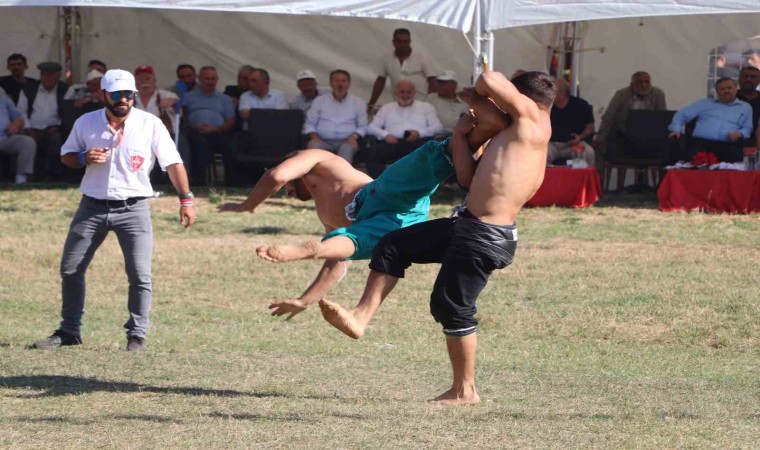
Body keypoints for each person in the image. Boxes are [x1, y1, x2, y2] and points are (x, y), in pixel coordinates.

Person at [318, 71, 556, 406]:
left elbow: (490, 76)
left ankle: (465, 391)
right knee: (394, 244)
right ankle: (360, 317)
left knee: (452, 306)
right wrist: (460, 135)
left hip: (484, 236)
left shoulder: (533, 121)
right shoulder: (514, 132)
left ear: (522, 97)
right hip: (468, 226)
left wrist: (478, 95)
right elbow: (467, 178)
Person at [218, 108, 496, 320]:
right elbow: (338, 260)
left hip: (379, 194)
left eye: (290, 188)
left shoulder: (319, 157)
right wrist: (304, 300)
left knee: (430, 157)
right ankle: (327, 268)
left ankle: (483, 124)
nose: (288, 193)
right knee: (352, 244)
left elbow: (276, 174)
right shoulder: (324, 210)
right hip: (397, 221)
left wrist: (248, 205)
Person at [32, 69, 195, 352]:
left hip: (134, 208)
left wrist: (186, 200)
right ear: (103, 94)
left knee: (140, 274)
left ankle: (137, 335)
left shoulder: (150, 124)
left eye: (128, 94)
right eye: (117, 94)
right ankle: (70, 331)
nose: (123, 100)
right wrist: (83, 157)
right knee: (71, 269)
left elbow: (173, 163)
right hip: (92, 206)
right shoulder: (86, 122)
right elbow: (66, 155)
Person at [366, 79, 443, 177]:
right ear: (395, 93)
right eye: (402, 92)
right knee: (372, 152)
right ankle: (379, 186)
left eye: (409, 92)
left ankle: (422, 187)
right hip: (393, 142)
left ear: (414, 93)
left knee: (430, 151)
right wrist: (385, 135)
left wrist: (419, 133)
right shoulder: (387, 108)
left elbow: (438, 127)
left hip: (418, 143)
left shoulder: (426, 107)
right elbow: (371, 127)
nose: (405, 95)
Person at [593, 71, 667, 170]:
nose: (644, 85)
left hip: (649, 139)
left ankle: (663, 184)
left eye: (647, 82)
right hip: (623, 137)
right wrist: (600, 137)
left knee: (669, 151)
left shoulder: (658, 94)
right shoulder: (621, 94)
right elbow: (609, 117)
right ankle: (599, 183)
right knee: (599, 149)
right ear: (631, 85)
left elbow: (662, 117)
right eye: (639, 82)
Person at [668, 77, 752, 162]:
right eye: (722, 89)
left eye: (729, 88)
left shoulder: (745, 107)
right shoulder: (704, 103)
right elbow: (681, 114)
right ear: (717, 92)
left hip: (729, 146)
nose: (726, 91)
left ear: (736, 88)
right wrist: (676, 129)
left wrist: (740, 134)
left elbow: (747, 128)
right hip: (701, 146)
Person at [182, 66, 236, 185]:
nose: (210, 82)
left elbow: (230, 120)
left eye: (213, 79)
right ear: (199, 79)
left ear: (217, 80)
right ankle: (199, 182)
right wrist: (194, 126)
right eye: (207, 79)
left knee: (231, 145)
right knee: (199, 144)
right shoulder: (188, 97)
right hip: (195, 132)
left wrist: (216, 128)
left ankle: (232, 182)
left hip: (218, 132)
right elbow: (182, 118)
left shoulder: (225, 99)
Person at [17, 61, 68, 180]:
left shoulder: (65, 90)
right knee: (25, 141)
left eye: (50, 74)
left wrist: (56, 127)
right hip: (30, 128)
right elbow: (21, 111)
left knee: (56, 140)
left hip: (53, 129)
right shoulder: (29, 89)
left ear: (58, 75)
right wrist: (28, 128)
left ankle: (55, 176)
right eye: (44, 74)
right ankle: (30, 176)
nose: (47, 77)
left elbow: (67, 113)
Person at [303, 70, 367, 164]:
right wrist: (314, 137)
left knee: (346, 153)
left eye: (343, 81)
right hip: (321, 140)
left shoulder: (358, 102)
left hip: (346, 141)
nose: (340, 84)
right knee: (314, 149)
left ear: (348, 84)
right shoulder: (319, 101)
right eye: (336, 81)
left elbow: (363, 126)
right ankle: (320, 178)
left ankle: (343, 178)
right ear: (330, 83)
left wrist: (354, 137)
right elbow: (309, 123)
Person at [367, 28, 437, 112]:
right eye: (399, 41)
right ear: (393, 42)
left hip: (420, 104)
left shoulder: (422, 57)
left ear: (409, 41)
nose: (402, 44)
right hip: (398, 104)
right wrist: (371, 103)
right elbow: (380, 81)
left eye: (405, 41)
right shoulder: (386, 58)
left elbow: (432, 81)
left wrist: (428, 103)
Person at [546, 77, 595, 166]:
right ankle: (548, 179)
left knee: (589, 152)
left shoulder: (581, 105)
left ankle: (587, 178)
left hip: (574, 144)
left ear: (559, 93)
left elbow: (590, 127)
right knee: (539, 154)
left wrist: (580, 137)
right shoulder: (546, 107)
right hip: (552, 144)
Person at [0, 95, 36, 183]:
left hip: (4, 138)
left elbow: (18, 117)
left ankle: (21, 180)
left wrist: (16, 125)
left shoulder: (3, 98)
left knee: (27, 142)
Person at [133, 64, 178, 135]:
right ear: (135, 81)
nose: (144, 81)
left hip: (163, 136)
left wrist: (174, 101)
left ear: (154, 80)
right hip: (136, 137)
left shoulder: (166, 95)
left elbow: (182, 106)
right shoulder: (130, 98)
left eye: (148, 78)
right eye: (140, 79)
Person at [426, 70, 468, 134]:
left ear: (453, 85)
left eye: (443, 83)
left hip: (456, 138)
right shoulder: (431, 99)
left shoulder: (464, 104)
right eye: (438, 82)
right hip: (435, 138)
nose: (439, 85)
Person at [736, 66, 760, 145]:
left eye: (753, 77)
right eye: (745, 76)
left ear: (759, 81)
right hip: (733, 144)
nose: (748, 79)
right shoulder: (728, 99)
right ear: (739, 79)